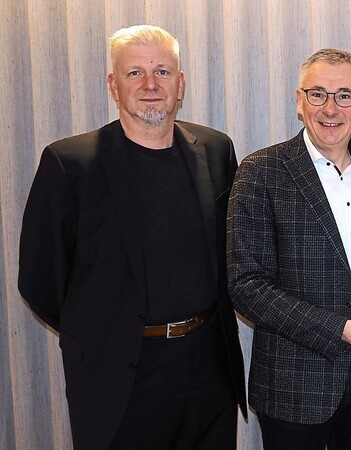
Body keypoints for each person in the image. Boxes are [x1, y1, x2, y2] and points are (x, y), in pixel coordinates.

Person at [17, 25, 246, 450]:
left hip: (208, 367)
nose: (150, 85)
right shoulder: (70, 164)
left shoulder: (216, 150)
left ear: (181, 83)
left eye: (162, 72)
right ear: (113, 85)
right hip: (119, 374)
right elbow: (39, 278)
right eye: (134, 73)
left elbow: (231, 251)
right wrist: (103, 330)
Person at [227, 48, 351, 450]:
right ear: (299, 100)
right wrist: (342, 331)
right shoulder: (261, 171)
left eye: (345, 95)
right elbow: (247, 285)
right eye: (318, 94)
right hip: (294, 381)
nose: (331, 108)